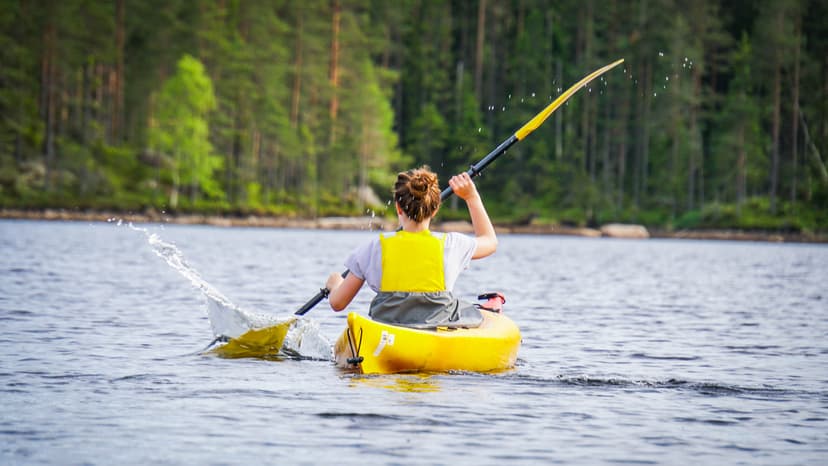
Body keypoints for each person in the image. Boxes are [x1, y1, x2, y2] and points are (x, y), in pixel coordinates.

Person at [325, 166, 498, 329]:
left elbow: (338, 303)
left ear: (398, 208)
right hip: (436, 330)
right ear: (435, 208)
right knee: (472, 311)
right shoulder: (451, 244)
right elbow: (490, 241)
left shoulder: (373, 247)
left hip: (390, 332)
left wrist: (334, 285)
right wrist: (471, 197)